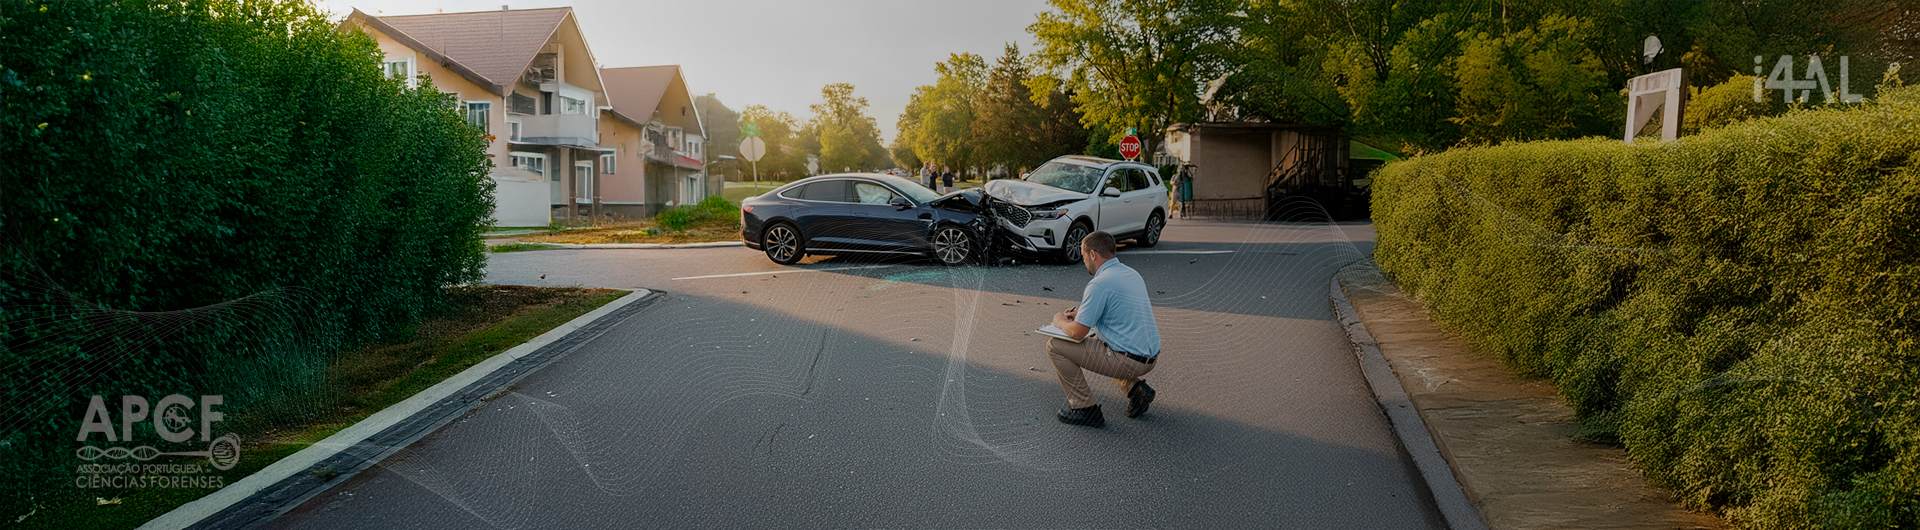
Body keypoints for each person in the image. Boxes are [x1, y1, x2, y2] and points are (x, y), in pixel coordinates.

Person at [1043, 231, 1161, 427]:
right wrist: (1082, 314)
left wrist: (1059, 321)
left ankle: (1085, 409)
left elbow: (1078, 333)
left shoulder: (1099, 283)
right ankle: (1136, 390)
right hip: (1150, 356)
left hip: (1129, 361)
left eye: (1083, 256)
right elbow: (1118, 308)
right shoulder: (1131, 274)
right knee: (1101, 340)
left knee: (1055, 346)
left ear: (1092, 254)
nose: (1084, 262)